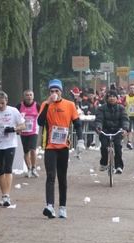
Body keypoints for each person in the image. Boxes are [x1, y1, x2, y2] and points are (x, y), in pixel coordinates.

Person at [37, 79, 85, 219]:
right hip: (50, 146)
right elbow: (40, 122)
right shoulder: (45, 105)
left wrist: (80, 140)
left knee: (62, 178)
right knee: (50, 176)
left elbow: (77, 124)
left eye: (56, 91)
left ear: (61, 92)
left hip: (64, 146)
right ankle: (50, 206)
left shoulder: (69, 105)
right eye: (51, 91)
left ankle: (62, 207)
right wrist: (47, 104)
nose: (54, 93)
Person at [0, 91, 25, 207]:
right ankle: (3, 195)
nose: (0, 106)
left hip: (9, 143)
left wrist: (13, 129)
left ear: (6, 101)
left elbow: (22, 125)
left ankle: (7, 195)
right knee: (0, 170)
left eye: (2, 103)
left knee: (8, 168)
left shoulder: (13, 111)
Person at [95, 90, 129, 173]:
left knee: (117, 146)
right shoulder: (101, 108)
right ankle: (103, 163)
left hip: (117, 131)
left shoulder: (121, 108)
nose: (112, 98)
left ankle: (119, 166)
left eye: (114, 97)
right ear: (107, 98)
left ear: (117, 98)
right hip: (105, 131)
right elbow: (99, 119)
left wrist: (125, 129)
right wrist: (98, 127)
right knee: (104, 146)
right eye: (110, 97)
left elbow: (125, 119)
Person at [15, 90, 41, 178]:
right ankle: (29, 169)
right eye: (27, 95)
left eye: (30, 95)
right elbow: (15, 117)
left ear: (33, 97)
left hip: (34, 131)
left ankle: (34, 168)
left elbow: (42, 116)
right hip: (23, 132)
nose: (29, 97)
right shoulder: (19, 106)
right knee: (26, 151)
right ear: (24, 97)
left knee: (33, 149)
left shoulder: (37, 106)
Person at [121, 84, 134, 150]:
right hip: (128, 115)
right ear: (128, 89)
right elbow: (122, 105)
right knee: (128, 129)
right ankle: (129, 141)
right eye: (131, 88)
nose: (132, 90)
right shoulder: (126, 97)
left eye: (133, 88)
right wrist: (125, 104)